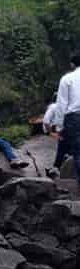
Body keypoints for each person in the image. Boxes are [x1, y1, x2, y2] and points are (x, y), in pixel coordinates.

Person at [56, 51, 80, 187]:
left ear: (72, 64)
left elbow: (61, 104)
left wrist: (59, 126)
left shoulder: (67, 78)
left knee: (78, 152)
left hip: (74, 118)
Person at [43, 92, 68, 178]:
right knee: (63, 148)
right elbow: (46, 121)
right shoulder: (56, 106)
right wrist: (50, 132)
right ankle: (56, 168)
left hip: (56, 128)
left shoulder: (53, 106)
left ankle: (56, 168)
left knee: (63, 148)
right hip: (55, 128)